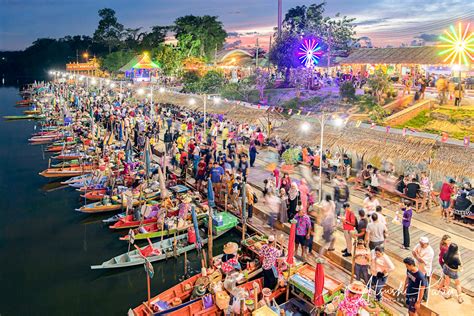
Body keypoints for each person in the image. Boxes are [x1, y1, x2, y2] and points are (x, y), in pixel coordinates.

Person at [412, 236, 434, 302]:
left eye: (422, 244)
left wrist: (417, 256)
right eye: (420, 243)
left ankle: (424, 298)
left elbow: (422, 260)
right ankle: (414, 294)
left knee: (425, 284)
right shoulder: (419, 245)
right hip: (417, 267)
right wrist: (417, 256)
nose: (420, 245)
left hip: (425, 270)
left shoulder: (430, 251)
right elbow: (413, 252)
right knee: (415, 281)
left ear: (426, 244)